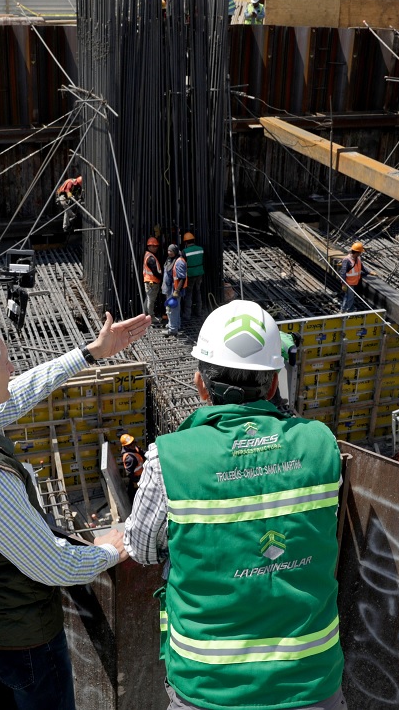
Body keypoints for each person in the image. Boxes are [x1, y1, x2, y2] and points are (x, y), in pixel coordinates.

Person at [0, 310, 150, 710]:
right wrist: (110, 549)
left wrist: (89, 353)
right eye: (4, 361)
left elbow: (19, 392)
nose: (13, 367)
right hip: (23, 640)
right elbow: (53, 566)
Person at [124, 300, 344, 710]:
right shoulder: (320, 444)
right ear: (274, 385)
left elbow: (139, 548)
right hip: (310, 681)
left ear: (200, 383)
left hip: (209, 688)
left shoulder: (168, 458)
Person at [163, 244, 187, 337]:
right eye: (168, 251)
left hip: (175, 290)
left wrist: (177, 291)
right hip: (170, 288)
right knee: (172, 308)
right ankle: (174, 325)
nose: (169, 253)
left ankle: (173, 329)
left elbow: (182, 278)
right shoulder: (170, 259)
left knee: (173, 309)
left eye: (171, 251)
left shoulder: (179, 262)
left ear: (176, 251)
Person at [339, 241, 371, 311]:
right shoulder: (347, 260)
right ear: (356, 252)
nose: (360, 253)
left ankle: (343, 310)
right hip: (348, 282)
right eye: (360, 252)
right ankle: (349, 310)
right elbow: (343, 272)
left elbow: (362, 267)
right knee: (350, 296)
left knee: (347, 296)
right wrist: (343, 284)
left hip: (354, 281)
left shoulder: (357, 258)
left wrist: (369, 272)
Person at [181, 231, 205, 322]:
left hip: (190, 275)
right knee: (198, 292)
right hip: (199, 274)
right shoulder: (200, 249)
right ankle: (198, 312)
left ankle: (187, 315)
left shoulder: (185, 251)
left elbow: (182, 264)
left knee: (189, 294)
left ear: (186, 242)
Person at [143, 237, 163, 318]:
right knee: (151, 300)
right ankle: (150, 317)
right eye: (154, 246)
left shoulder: (148, 255)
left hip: (149, 281)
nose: (156, 248)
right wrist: (161, 278)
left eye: (156, 246)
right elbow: (155, 271)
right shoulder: (151, 258)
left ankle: (144, 315)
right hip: (152, 281)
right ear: (149, 246)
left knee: (148, 299)